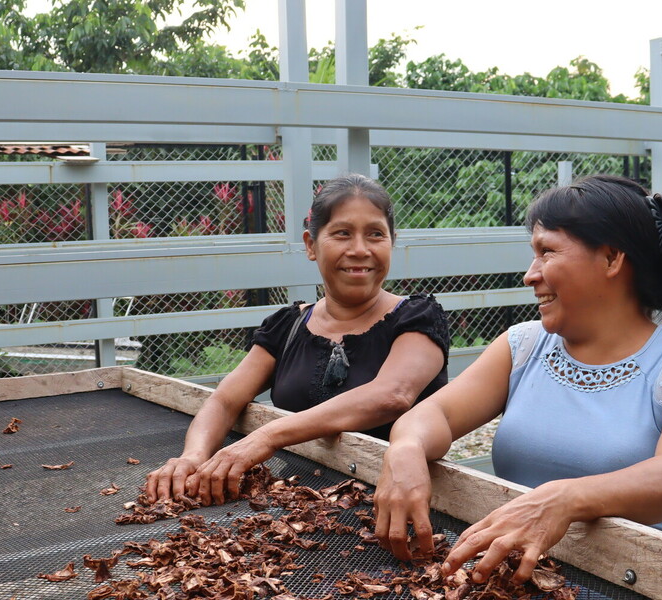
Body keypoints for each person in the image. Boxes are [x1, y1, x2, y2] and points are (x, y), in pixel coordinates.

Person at [373, 174, 662, 584]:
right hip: (526, 589)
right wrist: (405, 446)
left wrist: (562, 499)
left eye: (547, 252)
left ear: (612, 258)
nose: (530, 275)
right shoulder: (523, 345)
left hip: (655, 597)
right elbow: (437, 413)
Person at [147, 174, 450, 506]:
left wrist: (267, 437)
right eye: (342, 233)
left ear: (391, 242)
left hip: (394, 513)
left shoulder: (417, 318)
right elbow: (224, 401)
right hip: (296, 511)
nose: (360, 249)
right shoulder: (287, 326)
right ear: (310, 245)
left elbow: (392, 395)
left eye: (376, 234)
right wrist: (194, 455)